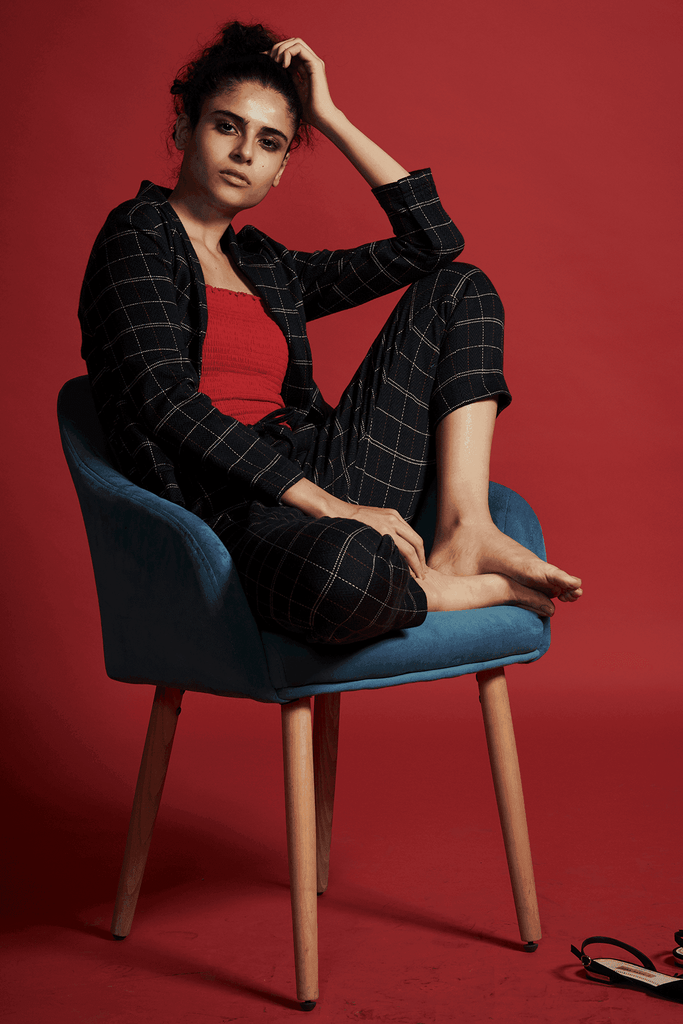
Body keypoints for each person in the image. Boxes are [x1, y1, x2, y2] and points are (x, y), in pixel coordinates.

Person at [79, 21, 582, 645]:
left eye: (269, 142)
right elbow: (166, 400)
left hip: (324, 468)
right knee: (339, 573)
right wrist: (331, 507)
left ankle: (465, 532)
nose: (245, 153)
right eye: (227, 126)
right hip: (231, 508)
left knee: (461, 287)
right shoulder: (137, 234)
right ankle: (443, 590)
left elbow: (433, 242)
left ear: (280, 168)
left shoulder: (269, 266)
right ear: (185, 130)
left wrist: (329, 116)